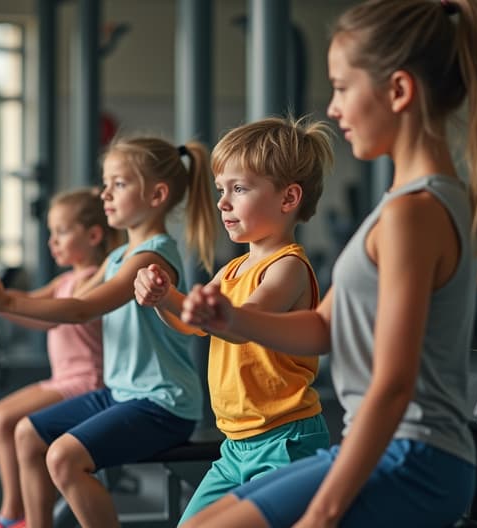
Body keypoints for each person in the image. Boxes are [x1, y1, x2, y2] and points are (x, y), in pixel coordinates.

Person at [178, 0, 477, 526]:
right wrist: (233, 320)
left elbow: (393, 385)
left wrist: (323, 512)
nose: (332, 110)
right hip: (390, 446)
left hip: (413, 457)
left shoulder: (414, 213)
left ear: (398, 91)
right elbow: (323, 327)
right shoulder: (406, 205)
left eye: (341, 87)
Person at [0, 135, 217, 528]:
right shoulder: (119, 256)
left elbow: (82, 309)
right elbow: (58, 314)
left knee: (63, 457)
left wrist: (8, 303)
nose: (105, 195)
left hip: (163, 403)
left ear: (157, 195)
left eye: (118, 184)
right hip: (122, 394)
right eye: (106, 184)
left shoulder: (151, 258)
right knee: (27, 433)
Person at [133, 116, 335, 523]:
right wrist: (164, 298)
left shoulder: (287, 267)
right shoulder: (232, 271)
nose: (223, 202)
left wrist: (215, 313)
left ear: (288, 198)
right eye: (221, 189)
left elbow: (251, 317)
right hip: (235, 444)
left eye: (238, 189)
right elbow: (193, 325)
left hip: (286, 440)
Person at [0, 188, 123, 528]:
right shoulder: (65, 279)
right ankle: (17, 511)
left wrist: (4, 303)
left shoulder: (96, 279)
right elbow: (26, 302)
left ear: (94, 234)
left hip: (87, 383)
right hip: (62, 380)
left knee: (4, 419)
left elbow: (51, 315)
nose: (53, 241)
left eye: (62, 232)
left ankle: (14, 514)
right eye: (51, 232)